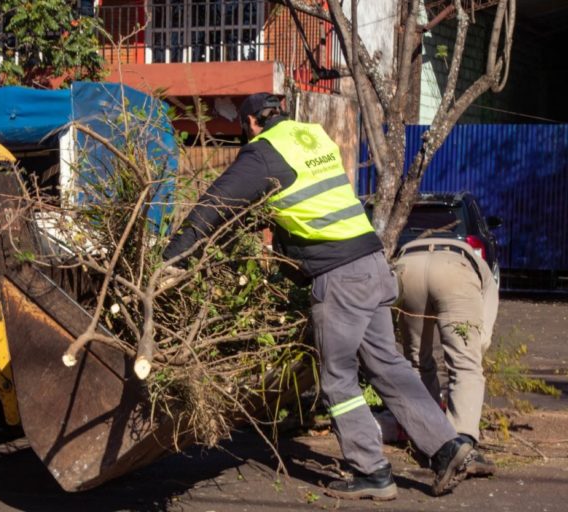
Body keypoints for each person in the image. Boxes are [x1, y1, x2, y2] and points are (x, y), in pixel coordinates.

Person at [162, 92, 478, 500]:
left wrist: (173, 260)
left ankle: (373, 472)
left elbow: (214, 204)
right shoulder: (314, 137)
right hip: (371, 264)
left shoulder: (262, 153)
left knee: (338, 378)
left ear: (252, 124)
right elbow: (303, 200)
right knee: (389, 365)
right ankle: (446, 447)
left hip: (340, 277)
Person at [393, 237, 499, 476]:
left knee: (417, 362)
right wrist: (474, 350)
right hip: (455, 268)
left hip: (407, 265)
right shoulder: (485, 275)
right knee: (466, 365)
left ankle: (431, 441)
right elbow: (482, 339)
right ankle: (461, 442)